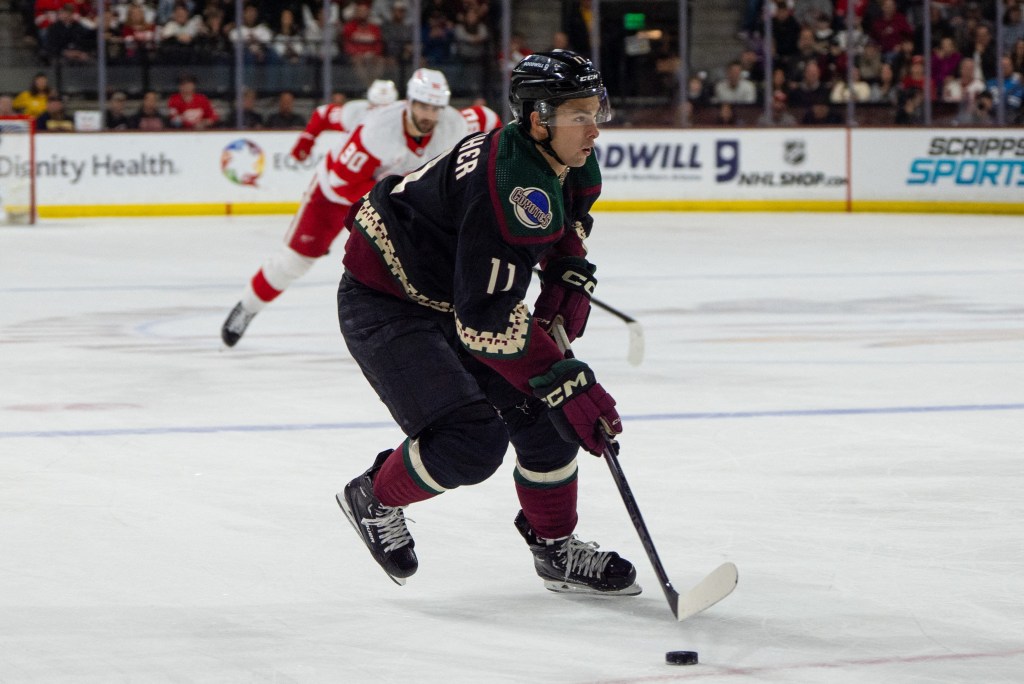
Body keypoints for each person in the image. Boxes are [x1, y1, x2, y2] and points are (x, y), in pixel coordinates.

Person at [331, 50, 637, 595]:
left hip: (456, 294)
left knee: (547, 421)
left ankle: (555, 549)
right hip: (388, 301)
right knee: (469, 442)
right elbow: (488, 319)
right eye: (579, 115)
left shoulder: (569, 158)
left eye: (597, 110)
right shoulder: (512, 183)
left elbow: (567, 223)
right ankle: (373, 496)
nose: (595, 129)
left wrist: (568, 272)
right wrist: (564, 378)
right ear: (539, 118)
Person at [221, 70, 469, 347]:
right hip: (335, 196)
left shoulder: (453, 126)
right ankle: (248, 307)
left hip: (391, 198)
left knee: (417, 264)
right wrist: (307, 140)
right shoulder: (376, 128)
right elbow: (341, 183)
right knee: (295, 261)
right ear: (408, 102)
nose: (429, 116)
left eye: (436, 108)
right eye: (423, 106)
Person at [289, 79, 399, 162]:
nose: (379, 111)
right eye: (375, 106)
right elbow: (322, 113)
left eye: (385, 109)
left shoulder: (399, 120)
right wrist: (305, 143)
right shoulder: (356, 113)